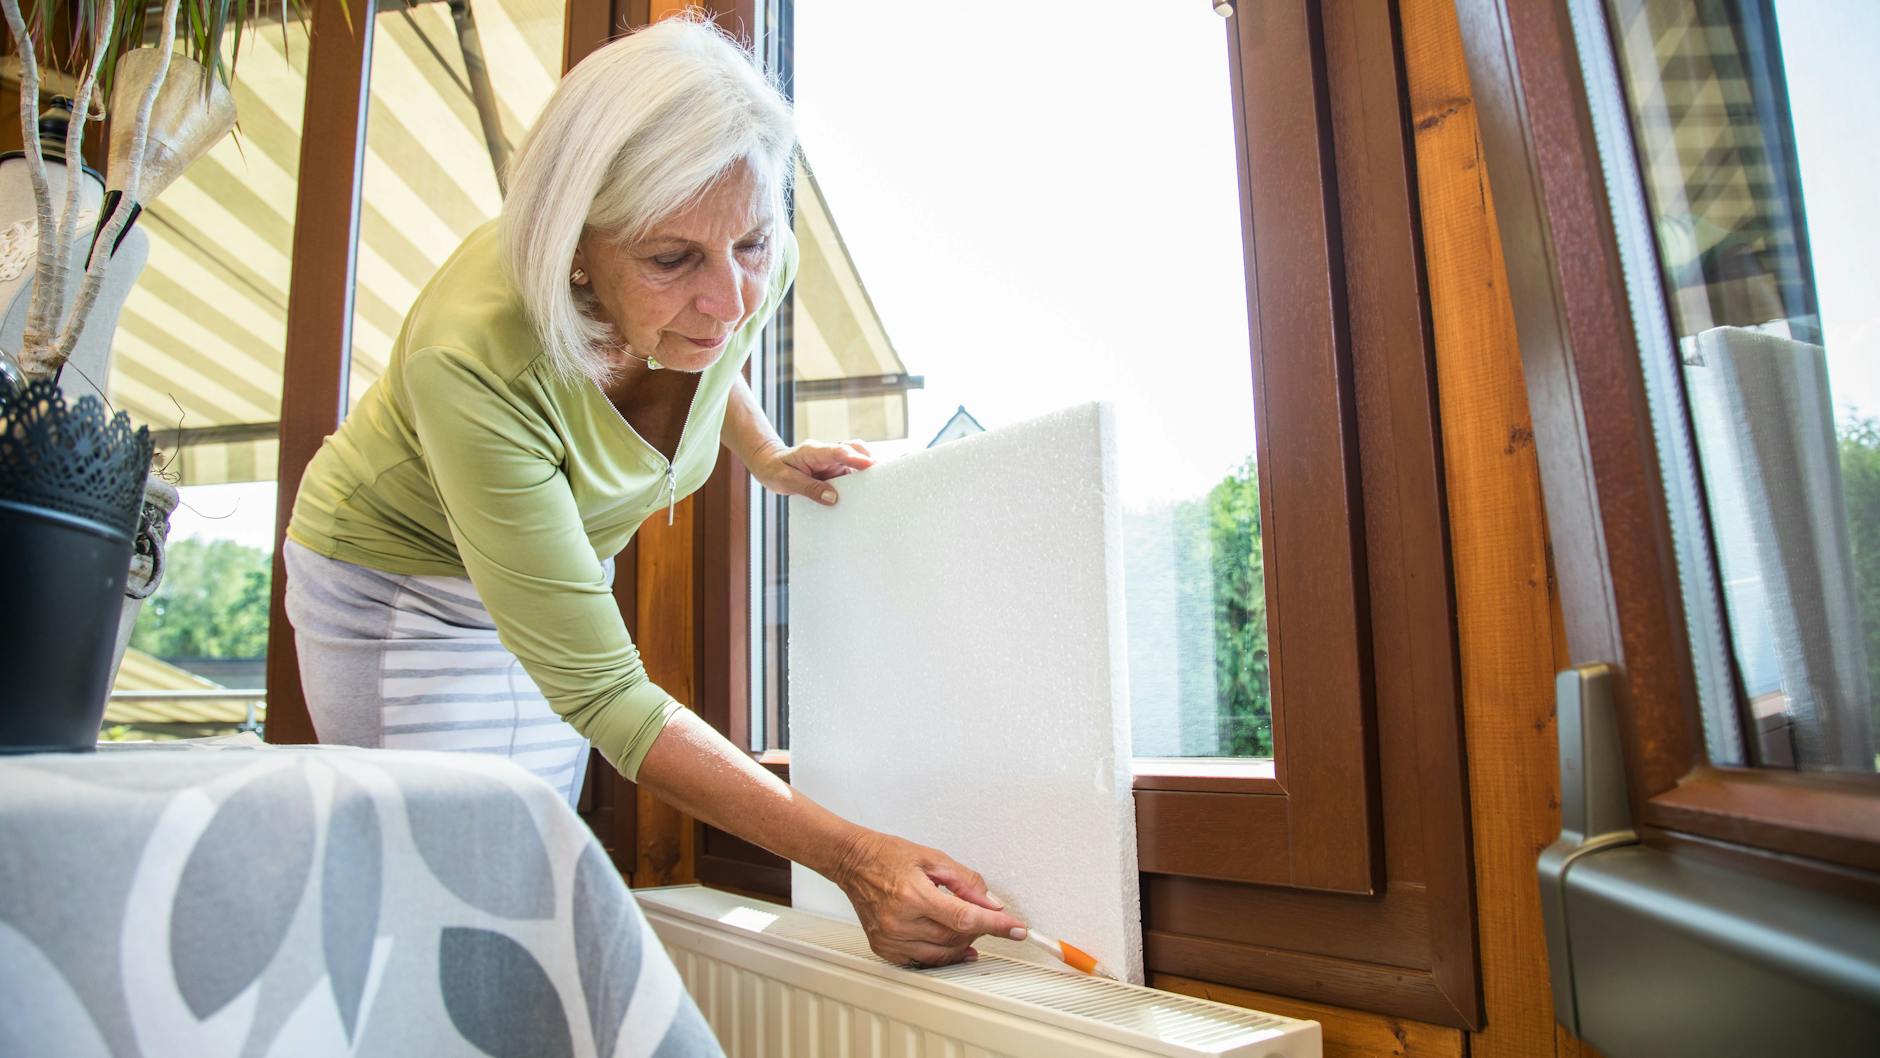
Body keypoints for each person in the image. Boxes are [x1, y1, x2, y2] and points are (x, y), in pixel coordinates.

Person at [282, 15, 1022, 969]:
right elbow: (606, 693)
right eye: (671, 259)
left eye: (750, 244)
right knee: (446, 906)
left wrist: (764, 453)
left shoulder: (740, 260)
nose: (731, 300)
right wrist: (853, 859)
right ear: (574, 245)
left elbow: (713, 352)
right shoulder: (472, 358)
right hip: (404, 591)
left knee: (529, 876)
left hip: (546, 576)